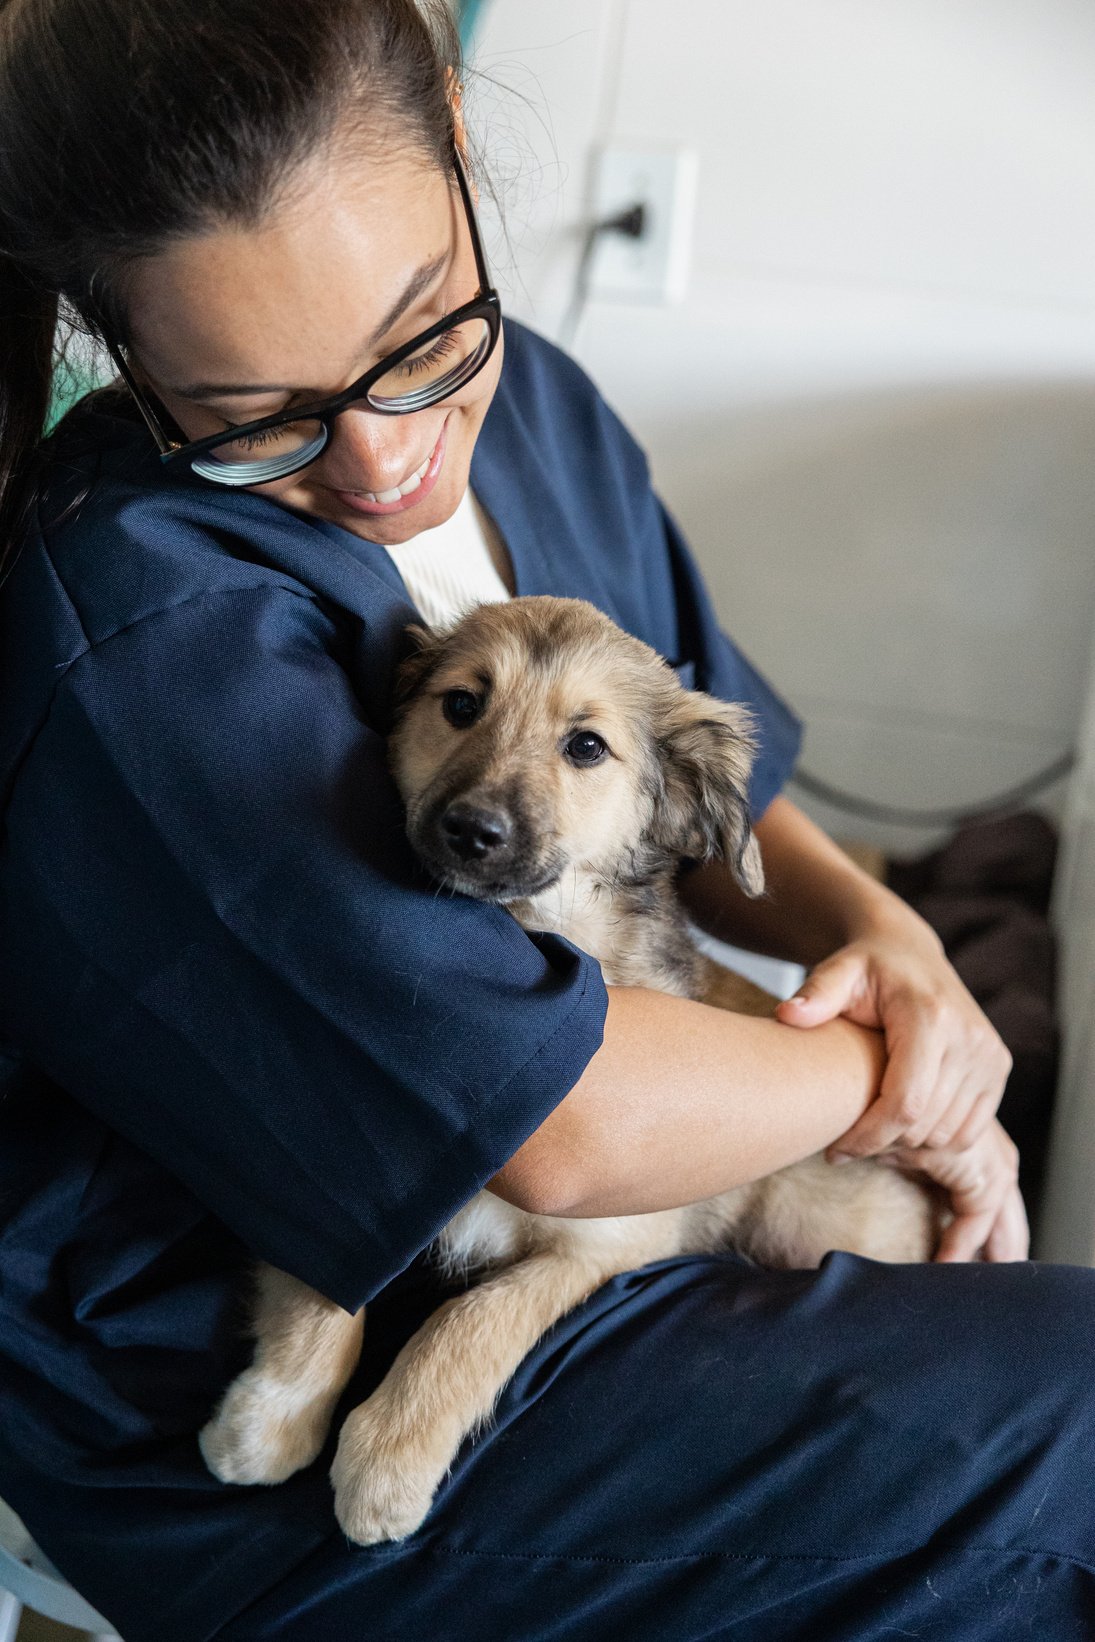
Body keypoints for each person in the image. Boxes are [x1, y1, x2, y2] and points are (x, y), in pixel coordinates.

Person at [0, 1, 1091, 1637]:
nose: (381, 461)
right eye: (250, 416)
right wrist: (900, 1080)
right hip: (219, 1383)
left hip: (605, 1242)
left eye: (423, 325)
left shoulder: (543, 403)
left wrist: (900, 944)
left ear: (454, 126)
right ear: (124, 355)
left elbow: (728, 783)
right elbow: (561, 1127)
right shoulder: (148, 629)